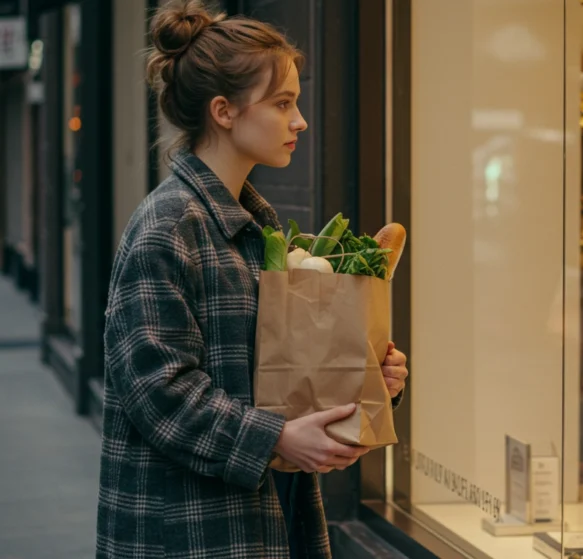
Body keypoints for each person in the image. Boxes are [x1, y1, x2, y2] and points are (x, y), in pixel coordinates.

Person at [95, 2, 408, 557]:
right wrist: (278, 438)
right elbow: (157, 389)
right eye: (283, 103)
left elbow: (278, 373)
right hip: (190, 532)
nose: (300, 121)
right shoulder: (168, 225)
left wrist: (366, 379)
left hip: (268, 521)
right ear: (223, 111)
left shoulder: (253, 224)